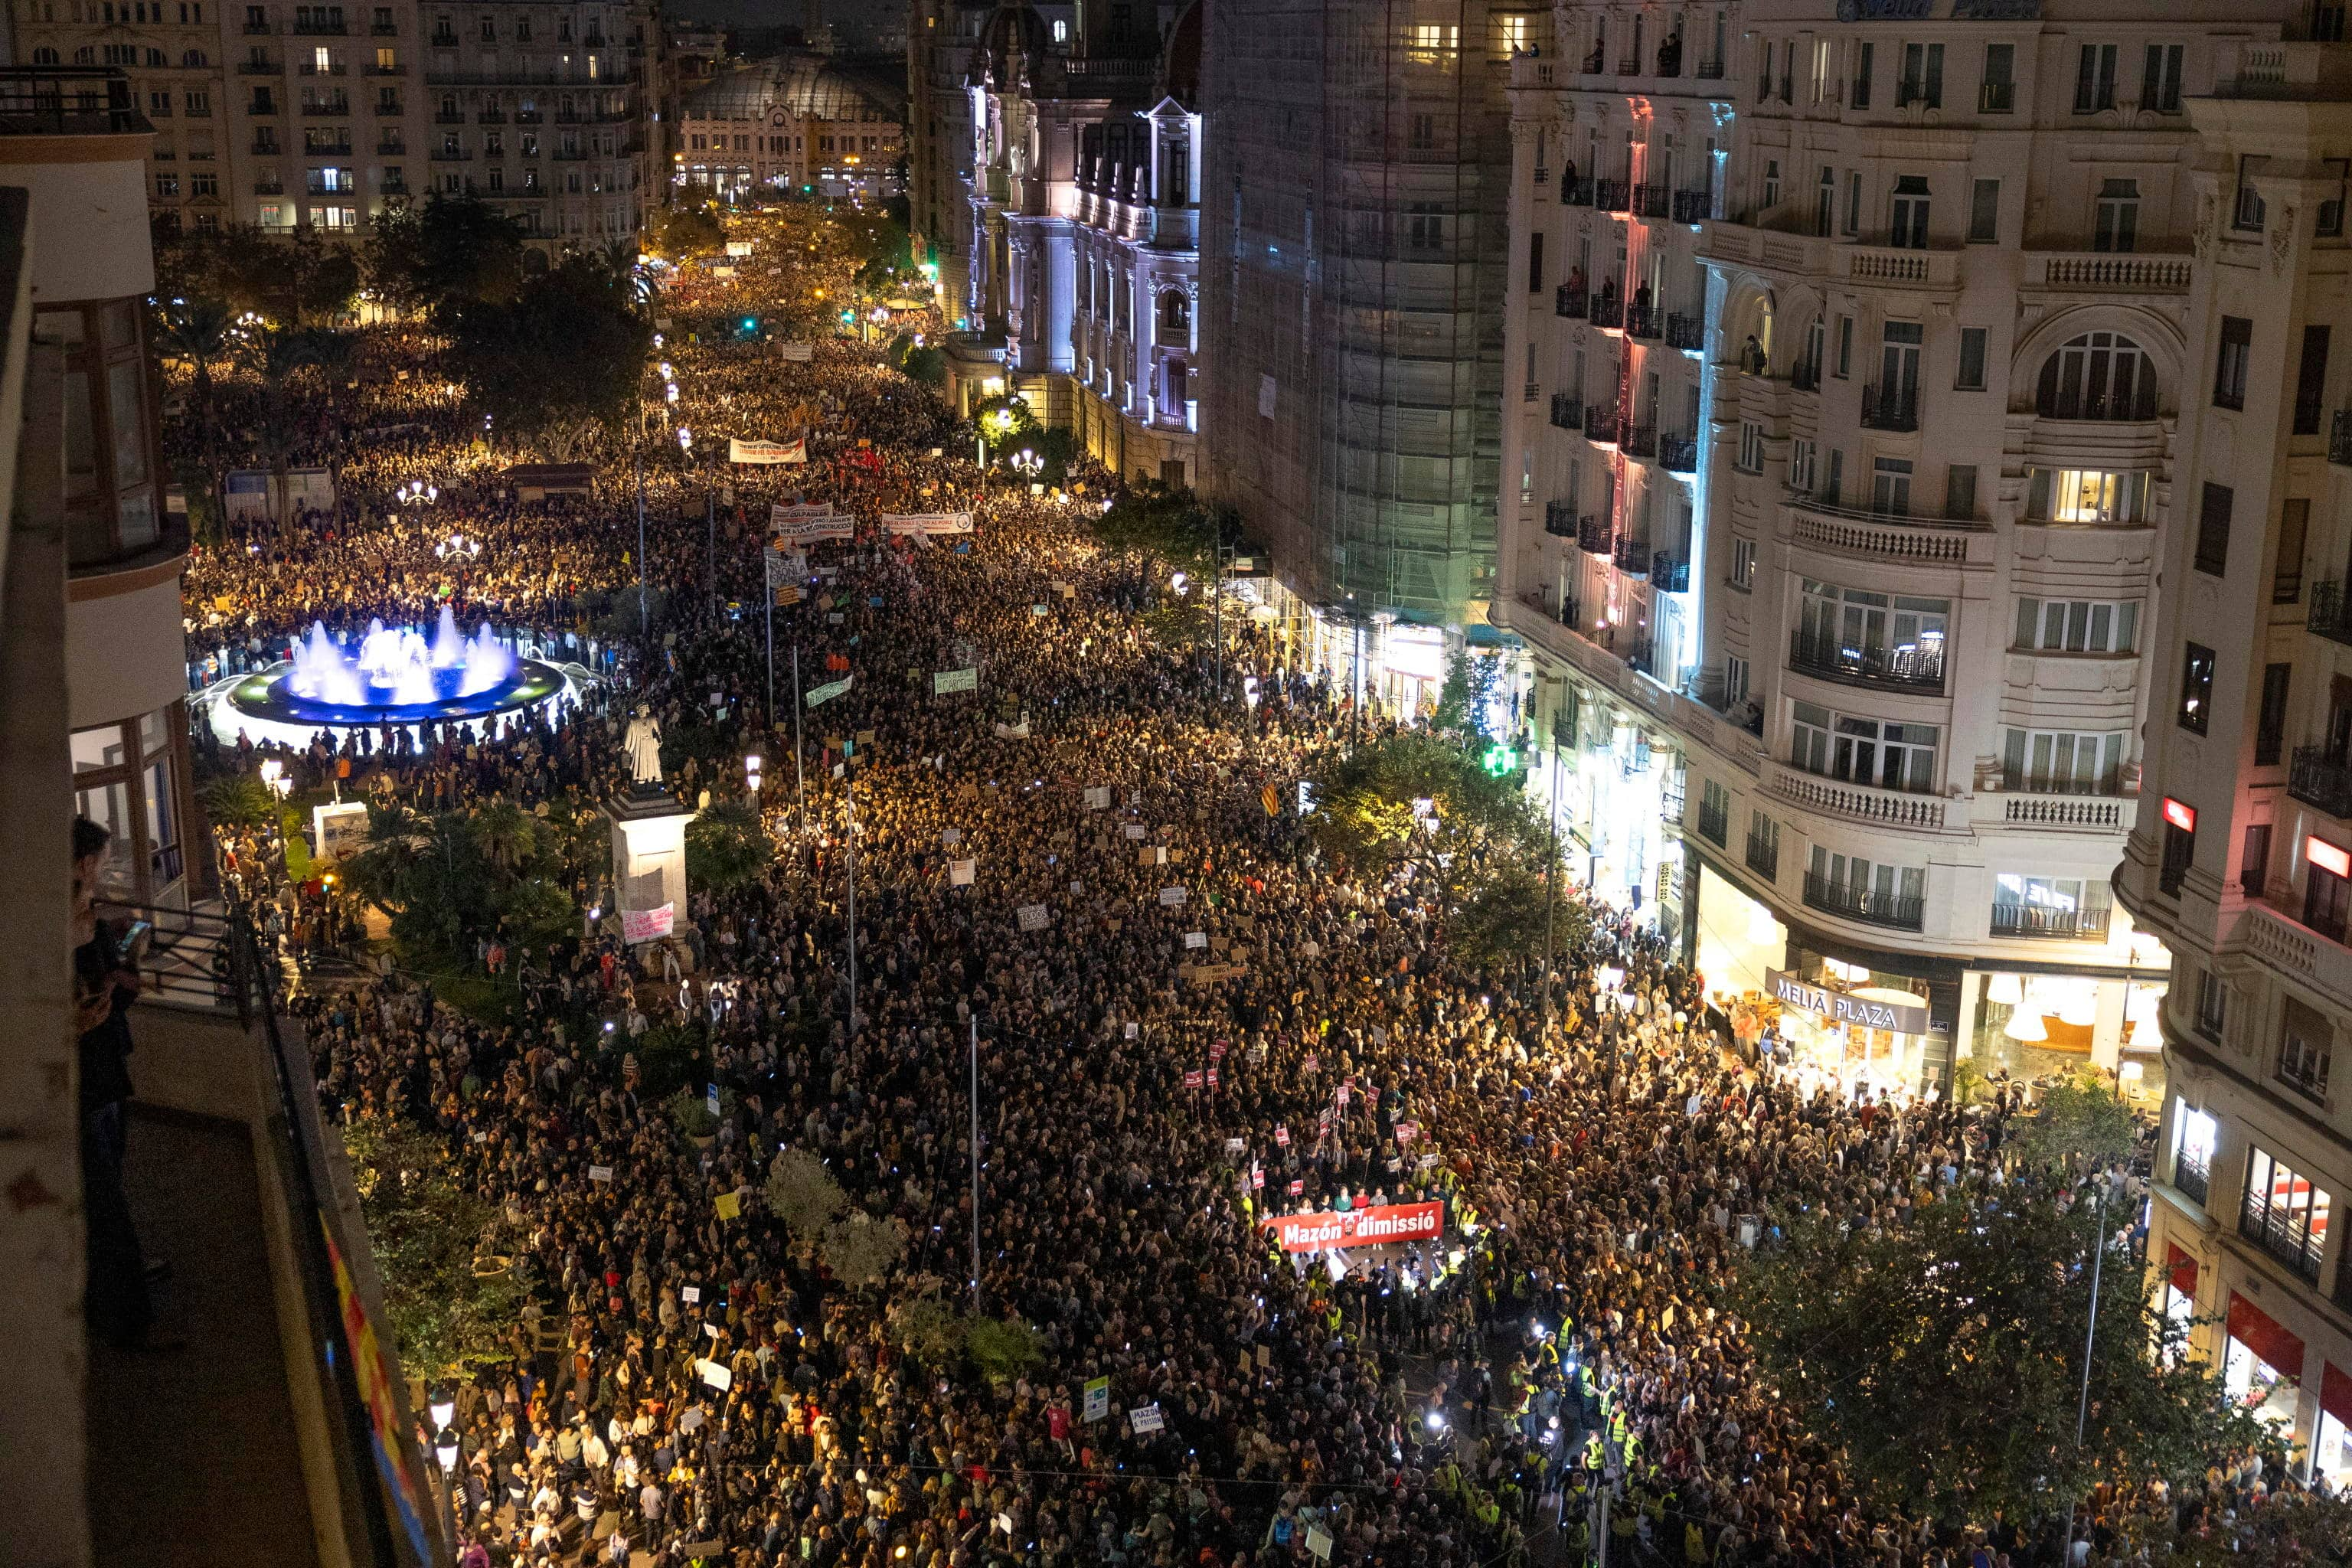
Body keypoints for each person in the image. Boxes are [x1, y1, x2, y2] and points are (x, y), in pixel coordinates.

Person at [73, 815, 176, 1351]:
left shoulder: (91, 920)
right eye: (105, 858)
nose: (110, 867)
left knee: (111, 1171)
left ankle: (117, 1283)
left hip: (108, 1061)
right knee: (101, 1194)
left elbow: (121, 982)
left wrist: (119, 976)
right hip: (83, 1076)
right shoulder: (53, 931)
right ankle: (119, 1312)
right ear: (83, 863)